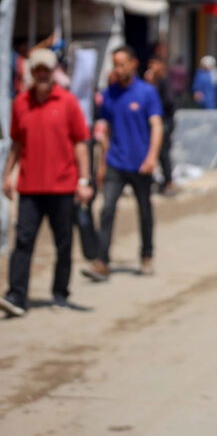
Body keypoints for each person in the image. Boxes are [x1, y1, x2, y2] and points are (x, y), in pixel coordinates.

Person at [0, 49, 94, 317]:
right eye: (37, 69)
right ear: (30, 72)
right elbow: (17, 143)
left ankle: (60, 293)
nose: (41, 74)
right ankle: (16, 295)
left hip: (63, 187)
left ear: (53, 72)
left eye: (46, 69)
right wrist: (8, 174)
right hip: (29, 187)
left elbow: (80, 143)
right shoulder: (20, 103)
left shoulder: (67, 103)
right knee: (23, 242)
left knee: (63, 243)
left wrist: (84, 180)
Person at [83, 47, 163, 281]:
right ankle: (102, 261)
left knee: (144, 211)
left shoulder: (147, 92)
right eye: (114, 64)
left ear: (133, 64)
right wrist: (102, 163)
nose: (117, 69)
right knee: (107, 209)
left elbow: (156, 126)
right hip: (115, 162)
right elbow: (105, 131)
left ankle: (146, 255)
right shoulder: (110, 94)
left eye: (121, 64)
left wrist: (151, 157)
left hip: (141, 163)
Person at [144, 57, 177, 196]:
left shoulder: (164, 81)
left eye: (154, 64)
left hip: (164, 123)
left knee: (164, 154)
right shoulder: (151, 82)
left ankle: (168, 182)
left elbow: (169, 102)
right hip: (153, 123)